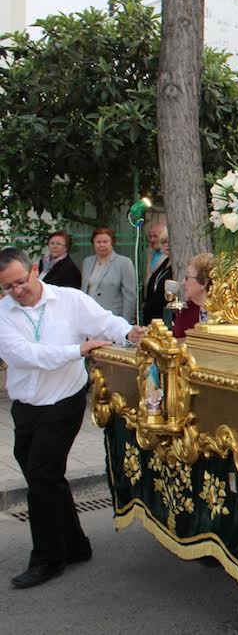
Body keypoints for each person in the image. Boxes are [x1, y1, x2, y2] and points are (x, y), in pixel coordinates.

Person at [0, 247, 144, 589]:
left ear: (35, 270)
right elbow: (26, 355)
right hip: (25, 405)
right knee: (45, 477)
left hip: (63, 401)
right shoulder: (3, 314)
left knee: (41, 475)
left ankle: (48, 558)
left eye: (21, 282)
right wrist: (77, 350)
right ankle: (76, 544)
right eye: (8, 287)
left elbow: (104, 321)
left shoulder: (69, 299)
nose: (18, 291)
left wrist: (128, 332)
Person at [81, 227, 137, 323]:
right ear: (93, 244)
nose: (102, 245)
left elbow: (130, 296)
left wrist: (126, 323)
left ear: (112, 243)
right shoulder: (87, 262)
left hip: (113, 318)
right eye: (98, 242)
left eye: (105, 242)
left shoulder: (124, 262)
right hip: (90, 316)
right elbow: (83, 290)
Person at [173, 253, 214, 338]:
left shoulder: (224, 313)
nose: (183, 282)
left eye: (187, 277)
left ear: (204, 282)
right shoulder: (185, 310)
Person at [142, 226, 173, 325]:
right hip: (153, 318)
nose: (167, 245)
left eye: (170, 241)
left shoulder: (178, 266)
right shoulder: (163, 263)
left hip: (168, 318)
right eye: (164, 242)